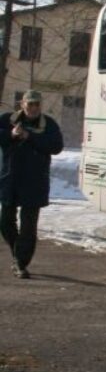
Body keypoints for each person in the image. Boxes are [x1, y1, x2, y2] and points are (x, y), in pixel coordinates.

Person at [0, 90, 64, 279]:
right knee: (5, 222)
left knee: (28, 227)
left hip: (34, 182)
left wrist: (30, 137)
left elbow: (56, 146)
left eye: (37, 104)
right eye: (30, 104)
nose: (34, 108)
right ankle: (17, 252)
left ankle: (21, 263)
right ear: (22, 105)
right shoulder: (6, 119)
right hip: (10, 180)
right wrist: (12, 134)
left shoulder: (48, 124)